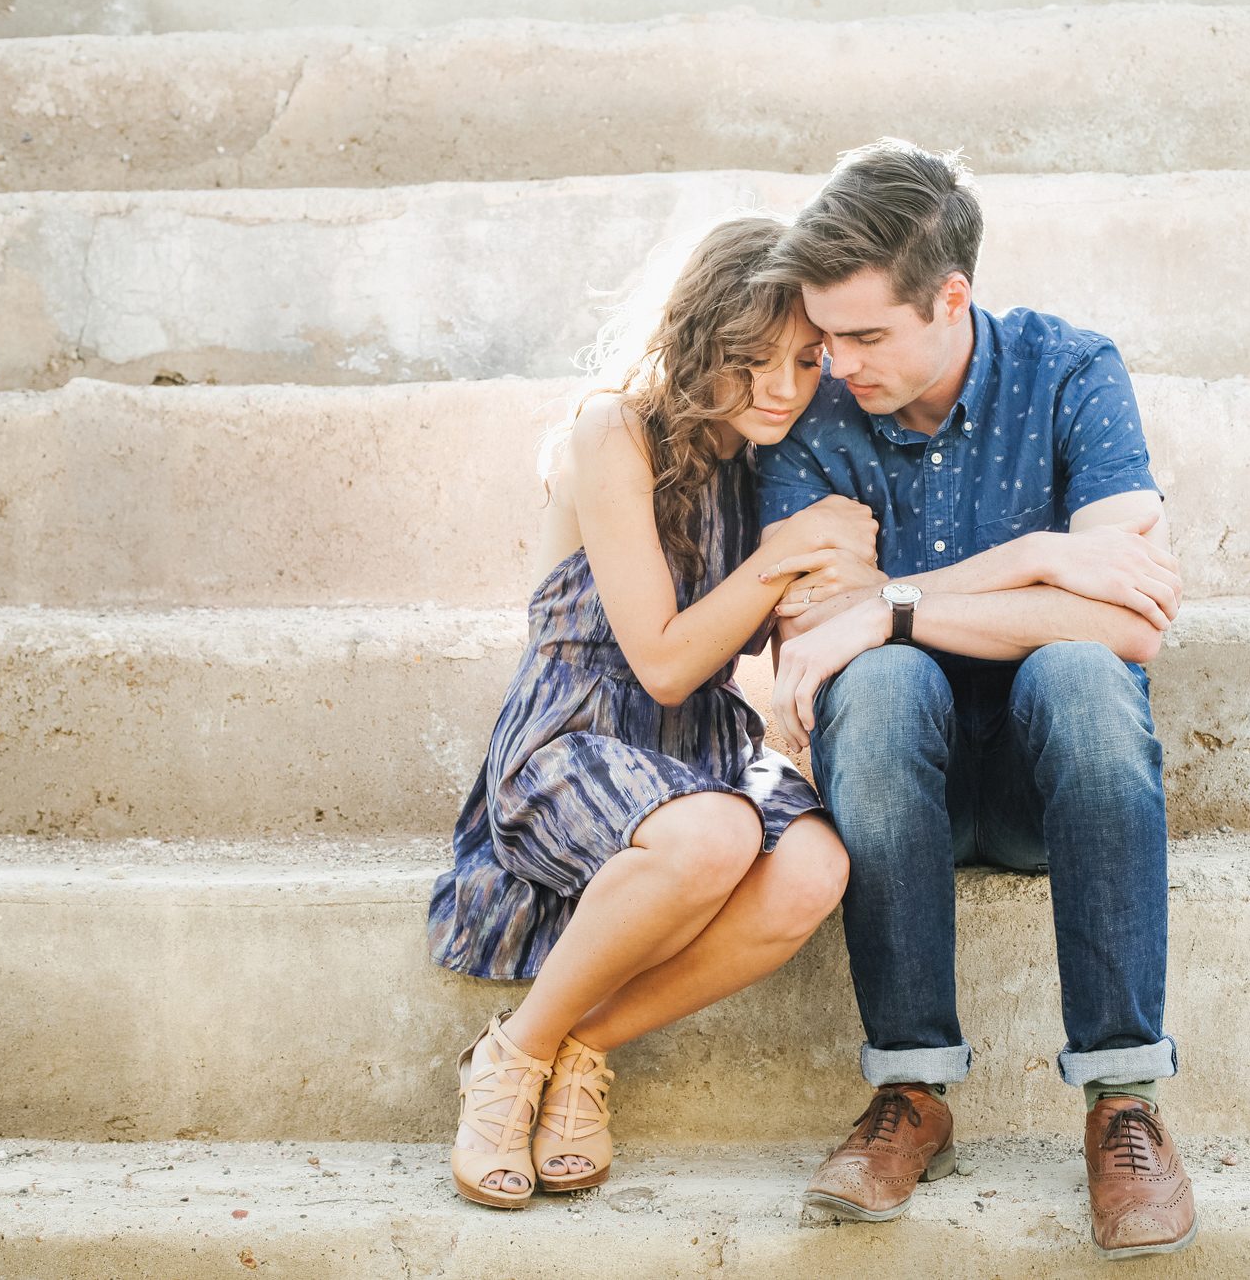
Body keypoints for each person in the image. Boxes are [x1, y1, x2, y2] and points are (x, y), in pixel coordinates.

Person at [754, 141, 1196, 1258]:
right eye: (825, 333)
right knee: (888, 677)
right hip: (896, 782)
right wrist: (1040, 561)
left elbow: (1128, 621)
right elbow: (813, 627)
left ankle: (1121, 1098)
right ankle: (911, 1092)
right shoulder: (816, 413)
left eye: (865, 335)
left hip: (1058, 788)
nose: (835, 361)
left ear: (950, 297)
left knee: (1079, 669)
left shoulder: (1069, 371)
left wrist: (889, 602)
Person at [426, 214, 873, 1208]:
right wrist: (777, 557)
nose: (782, 389)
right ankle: (509, 1057)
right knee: (713, 835)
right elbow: (666, 663)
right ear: (697, 335)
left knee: (813, 867)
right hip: (575, 734)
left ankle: (579, 1043)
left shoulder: (778, 457)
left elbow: (774, 638)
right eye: (752, 361)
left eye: (804, 362)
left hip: (701, 749)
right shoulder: (612, 432)